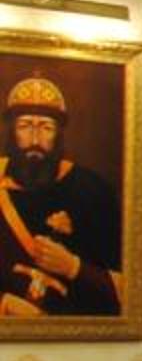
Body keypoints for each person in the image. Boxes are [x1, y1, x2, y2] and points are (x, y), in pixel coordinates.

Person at [0, 72, 123, 318]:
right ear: (11, 133)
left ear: (59, 135)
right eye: (25, 126)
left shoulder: (92, 190)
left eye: (46, 127)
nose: (35, 138)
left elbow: (133, 288)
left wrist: (73, 267)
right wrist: (4, 304)